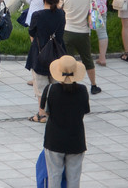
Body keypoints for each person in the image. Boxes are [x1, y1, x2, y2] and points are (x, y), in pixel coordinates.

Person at [41, 55, 90, 187]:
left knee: (54, 177)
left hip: (54, 140)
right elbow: (84, 111)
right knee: (74, 179)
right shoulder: (83, 90)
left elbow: (44, 112)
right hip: (76, 139)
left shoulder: (50, 90)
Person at [27, 0, 66, 122]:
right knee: (56, 83)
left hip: (40, 54)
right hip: (58, 53)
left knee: (41, 85)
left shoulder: (37, 15)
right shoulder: (62, 14)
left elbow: (32, 32)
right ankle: (55, 112)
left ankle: (42, 113)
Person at [61, 0, 100, 94]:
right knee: (87, 59)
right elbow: (93, 11)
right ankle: (94, 85)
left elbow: (59, 10)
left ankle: (69, 84)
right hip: (83, 32)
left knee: (68, 59)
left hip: (67, 31)